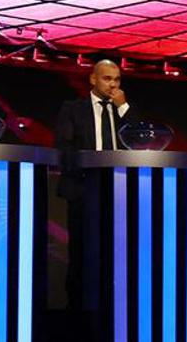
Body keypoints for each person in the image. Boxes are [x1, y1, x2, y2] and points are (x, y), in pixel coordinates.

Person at [51, 58, 134, 309]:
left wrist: (124, 107)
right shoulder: (73, 108)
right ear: (93, 79)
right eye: (107, 78)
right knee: (82, 253)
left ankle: (114, 305)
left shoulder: (121, 110)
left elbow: (140, 138)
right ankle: (77, 309)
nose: (113, 84)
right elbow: (64, 149)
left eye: (117, 79)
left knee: (116, 253)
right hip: (83, 189)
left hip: (117, 192)